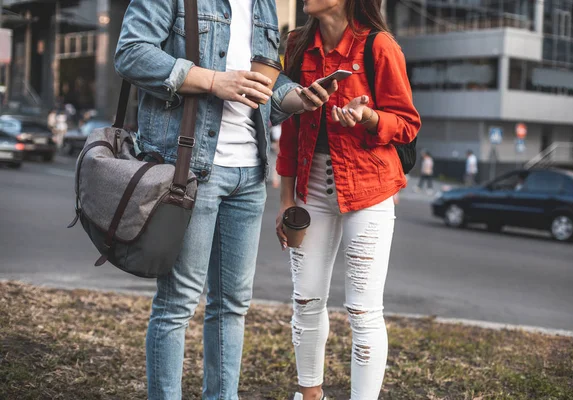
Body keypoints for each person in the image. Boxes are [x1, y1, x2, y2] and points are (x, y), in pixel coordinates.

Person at [114, 1, 336, 398]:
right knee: (178, 303)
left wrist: (297, 98)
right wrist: (214, 81)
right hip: (191, 169)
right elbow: (131, 52)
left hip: (249, 171)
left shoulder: (265, 5)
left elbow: (267, 84)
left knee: (233, 305)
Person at [275, 0, 421, 398]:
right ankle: (310, 395)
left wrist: (368, 117)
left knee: (362, 310)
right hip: (310, 189)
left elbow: (407, 124)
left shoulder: (379, 46)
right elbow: (289, 126)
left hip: (369, 189)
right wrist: (286, 198)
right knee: (305, 301)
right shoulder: (298, 46)